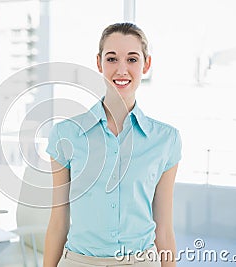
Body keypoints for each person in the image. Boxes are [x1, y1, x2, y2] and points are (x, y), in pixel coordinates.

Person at [43, 22, 181, 267]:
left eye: (131, 59)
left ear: (146, 65)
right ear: (99, 63)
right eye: (112, 59)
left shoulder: (166, 140)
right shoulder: (66, 134)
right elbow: (58, 222)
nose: (121, 70)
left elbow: (165, 230)